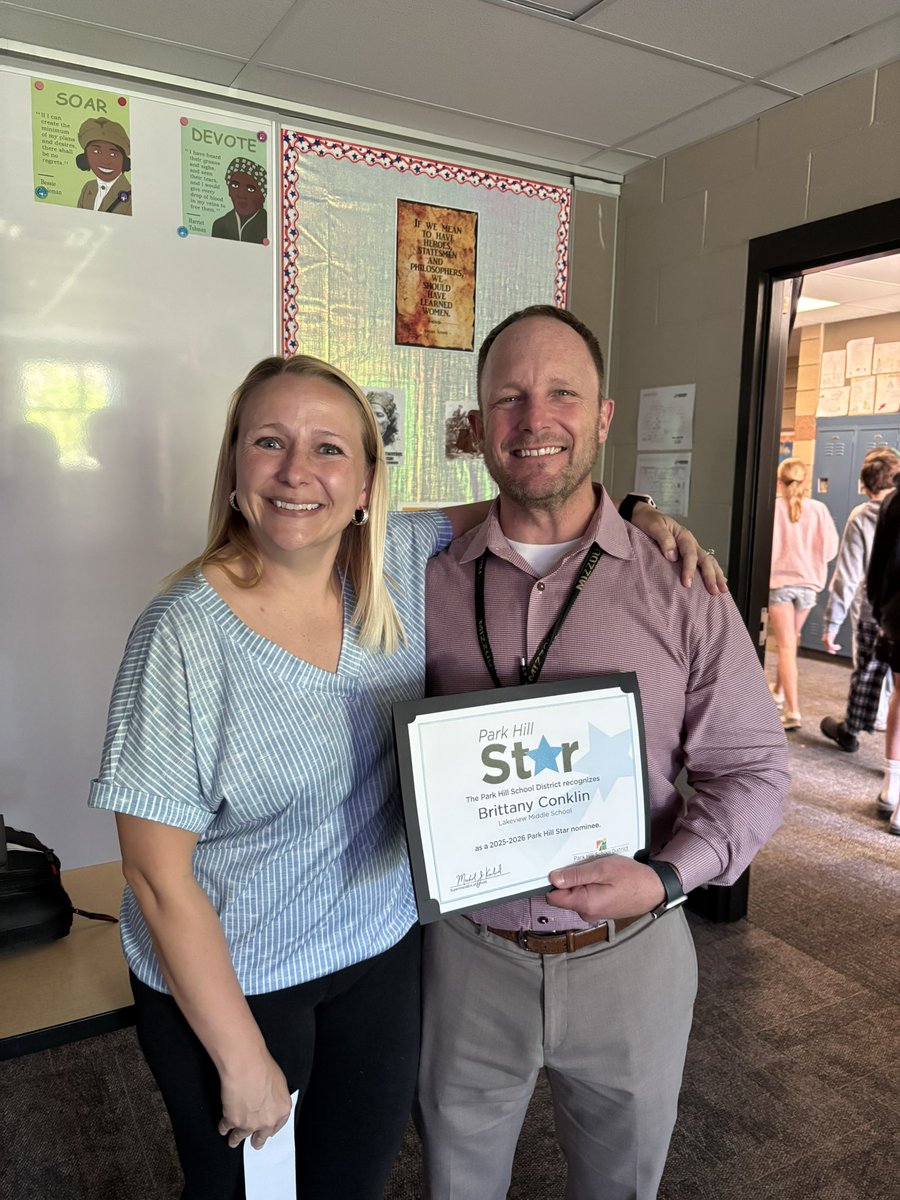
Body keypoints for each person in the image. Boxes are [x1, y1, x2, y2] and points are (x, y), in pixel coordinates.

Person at [88, 351, 718, 1200]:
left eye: (329, 448)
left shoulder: (398, 562)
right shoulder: (181, 636)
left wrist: (636, 512)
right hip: (239, 979)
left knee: (352, 1184)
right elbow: (156, 880)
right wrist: (240, 1058)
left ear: (365, 485)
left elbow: (534, 502)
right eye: (269, 442)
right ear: (234, 468)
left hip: (380, 958)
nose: (297, 472)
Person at [417, 305, 788, 1200]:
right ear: (477, 423)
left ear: (605, 416)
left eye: (563, 394)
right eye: (508, 398)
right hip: (465, 955)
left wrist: (666, 877)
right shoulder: (418, 576)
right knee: (455, 1183)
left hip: (634, 953)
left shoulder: (683, 586)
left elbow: (754, 771)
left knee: (622, 1184)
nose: (534, 419)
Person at [819, 449, 900, 752]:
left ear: (865, 486)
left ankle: (851, 731)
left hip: (874, 612)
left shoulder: (862, 517)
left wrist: (832, 624)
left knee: (866, 671)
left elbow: (848, 576)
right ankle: (884, 725)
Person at [768, 457, 839, 731]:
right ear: (805, 480)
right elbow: (830, 550)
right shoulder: (819, 509)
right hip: (809, 585)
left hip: (780, 584)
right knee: (790, 643)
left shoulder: (773, 508)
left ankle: (793, 711)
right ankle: (778, 691)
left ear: (779, 481)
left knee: (786, 646)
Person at [866, 479, 900, 834]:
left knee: (899, 696)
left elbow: (878, 566)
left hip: (898, 614)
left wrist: (882, 612)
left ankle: (891, 787)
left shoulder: (893, 499)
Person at [75, 118, 132, 215]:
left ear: (124, 161)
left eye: (113, 154)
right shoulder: (88, 187)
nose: (105, 161)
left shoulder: (131, 196)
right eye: (96, 151)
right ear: (86, 157)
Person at [211, 157, 268, 243]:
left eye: (250, 189)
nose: (241, 195)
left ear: (262, 196)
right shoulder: (219, 225)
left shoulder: (269, 226)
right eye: (235, 186)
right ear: (229, 191)